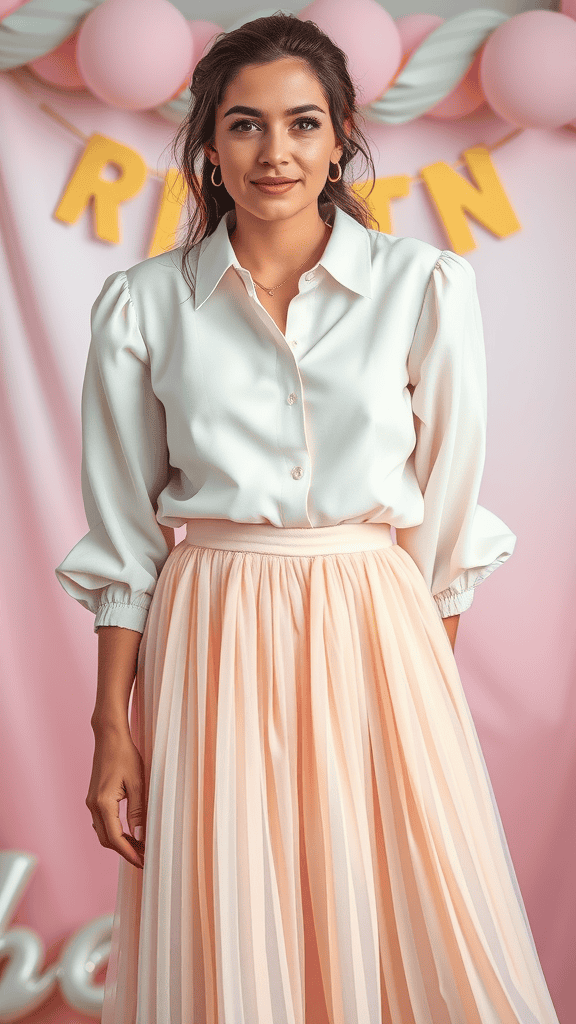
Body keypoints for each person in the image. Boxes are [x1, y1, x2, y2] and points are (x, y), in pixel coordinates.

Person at [54, 12, 560, 1024]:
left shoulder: (422, 287)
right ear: (207, 142)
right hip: (212, 623)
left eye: (301, 124)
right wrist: (114, 723)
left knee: (404, 893)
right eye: (244, 125)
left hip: (382, 621)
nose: (273, 152)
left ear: (339, 140)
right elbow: (122, 537)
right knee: (230, 905)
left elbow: (448, 522)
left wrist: (420, 691)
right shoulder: (143, 305)